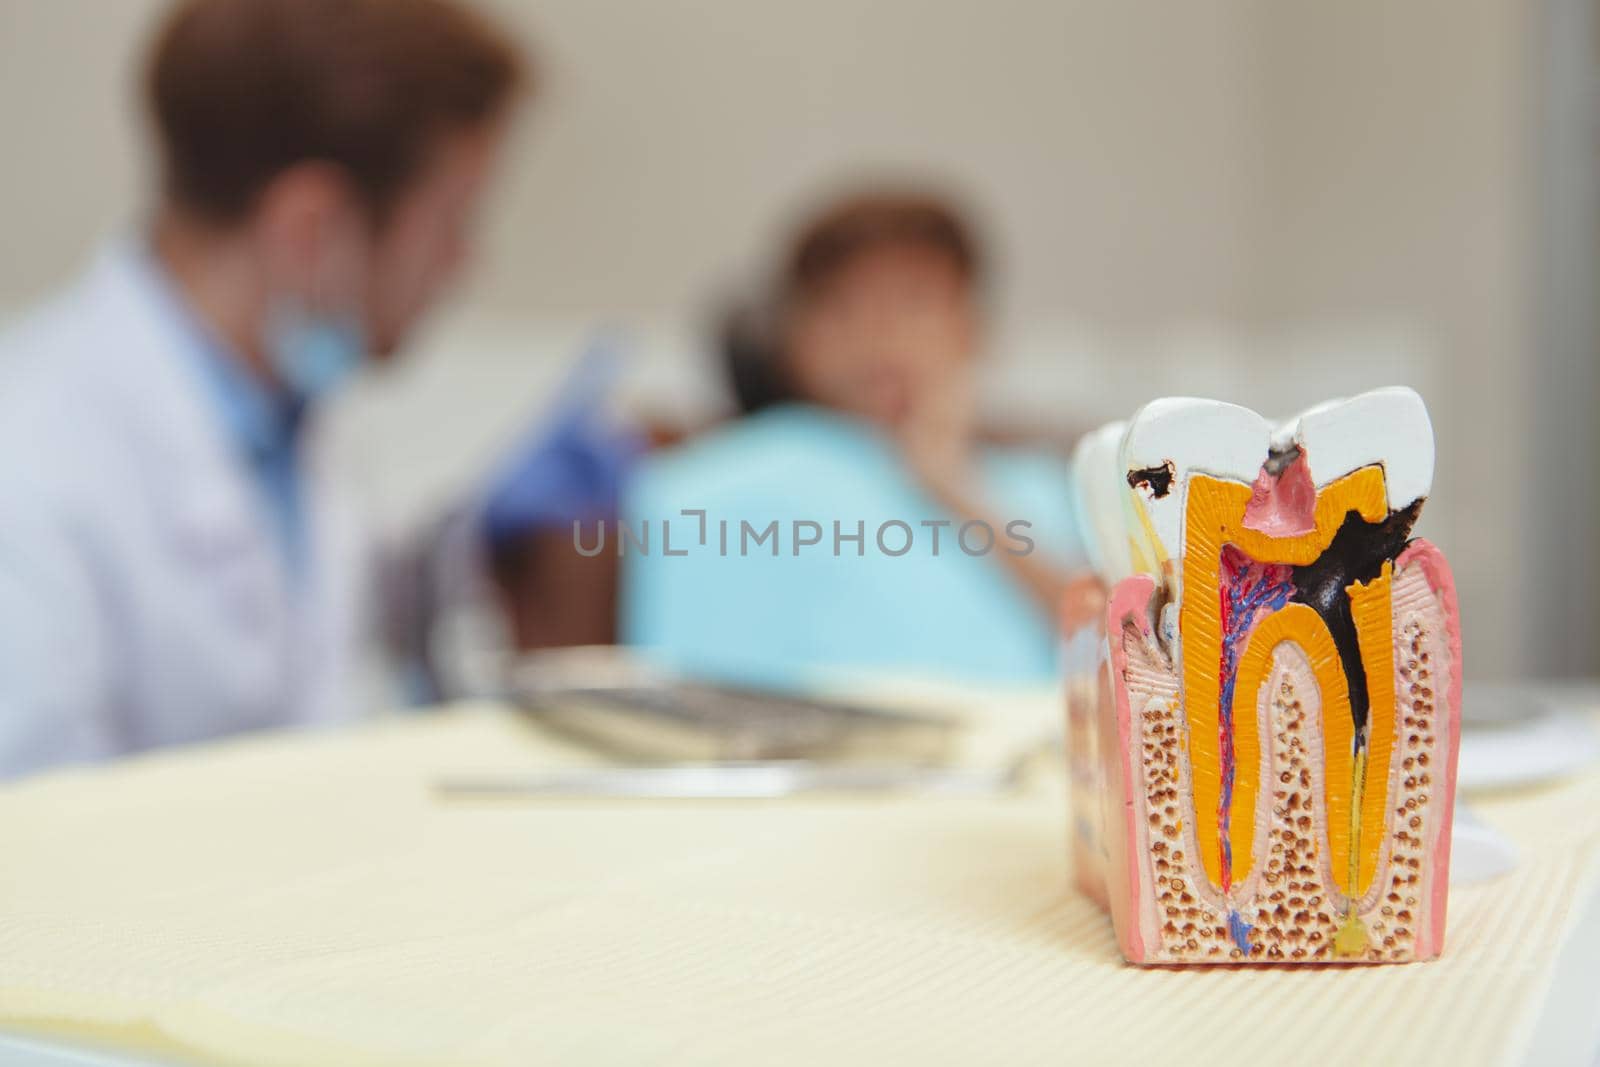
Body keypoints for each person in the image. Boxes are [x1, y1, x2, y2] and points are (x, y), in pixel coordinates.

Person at [0, 0, 527, 777]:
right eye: (450, 221)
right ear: (311, 226)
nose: (462, 263)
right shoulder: (31, 461)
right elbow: (39, 855)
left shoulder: (293, 417)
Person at [623, 189, 1104, 686]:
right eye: (843, 309)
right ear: (793, 340)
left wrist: (951, 486)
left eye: (913, 302)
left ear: (973, 329)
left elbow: (1121, 665)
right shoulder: (703, 488)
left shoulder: (1048, 490)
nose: (879, 335)